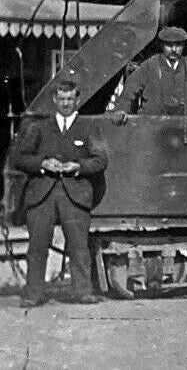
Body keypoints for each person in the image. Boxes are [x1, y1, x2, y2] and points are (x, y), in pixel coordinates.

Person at [12, 80, 108, 307]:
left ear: (77, 101)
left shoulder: (88, 128)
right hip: (42, 194)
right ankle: (33, 294)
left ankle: (83, 292)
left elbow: (101, 160)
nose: (66, 103)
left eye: (70, 99)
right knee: (37, 247)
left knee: (78, 246)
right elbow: (19, 158)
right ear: (55, 101)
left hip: (75, 195)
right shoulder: (40, 127)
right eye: (61, 99)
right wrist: (43, 163)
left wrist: (79, 167)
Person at [110, 26, 187, 125]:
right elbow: (130, 89)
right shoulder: (149, 65)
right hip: (153, 128)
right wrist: (121, 110)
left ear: (184, 46)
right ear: (162, 45)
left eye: (178, 45)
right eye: (169, 45)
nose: (174, 49)